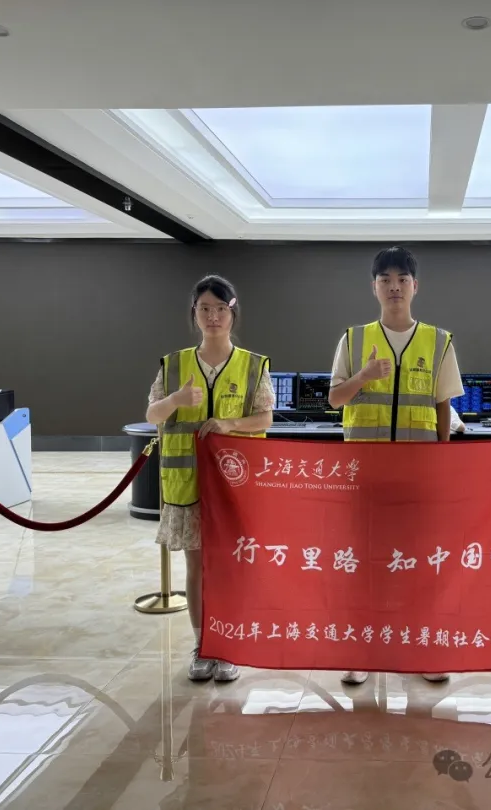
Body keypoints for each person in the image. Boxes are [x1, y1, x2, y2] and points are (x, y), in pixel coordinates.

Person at [328, 246, 465, 685]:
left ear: (415, 286)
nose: (394, 287)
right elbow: (335, 399)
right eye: (385, 279)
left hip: (417, 476)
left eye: (402, 279)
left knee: (418, 563)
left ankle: (423, 649)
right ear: (374, 287)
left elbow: (442, 406)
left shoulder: (439, 341)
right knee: (364, 562)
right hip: (364, 475)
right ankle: (361, 651)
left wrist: (442, 463)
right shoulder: (352, 339)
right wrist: (363, 377)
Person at [146, 275, 275, 683]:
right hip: (187, 485)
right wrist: (176, 400)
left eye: (220, 308)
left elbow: (265, 417)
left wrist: (229, 423)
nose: (213, 316)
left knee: (230, 566)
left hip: (235, 489)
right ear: (194, 314)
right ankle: (203, 645)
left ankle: (229, 644)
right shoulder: (174, 365)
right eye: (205, 309)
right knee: (197, 565)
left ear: (232, 313)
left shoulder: (252, 365)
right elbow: (152, 414)